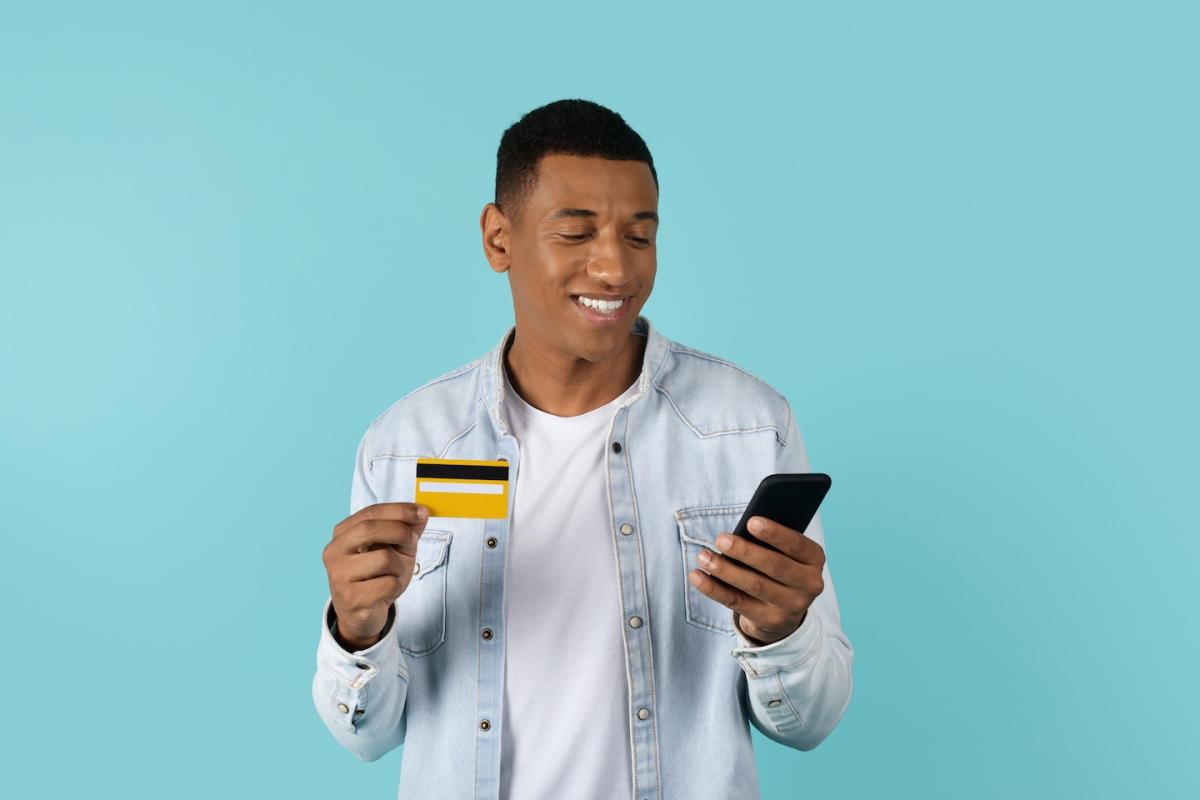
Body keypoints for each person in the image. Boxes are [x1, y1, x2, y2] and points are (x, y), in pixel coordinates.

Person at [312, 98, 854, 800]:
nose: (615, 269)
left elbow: (812, 722)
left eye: (639, 236)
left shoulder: (748, 429)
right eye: (576, 232)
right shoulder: (405, 446)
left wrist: (782, 631)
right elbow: (367, 736)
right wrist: (357, 632)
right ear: (499, 239)